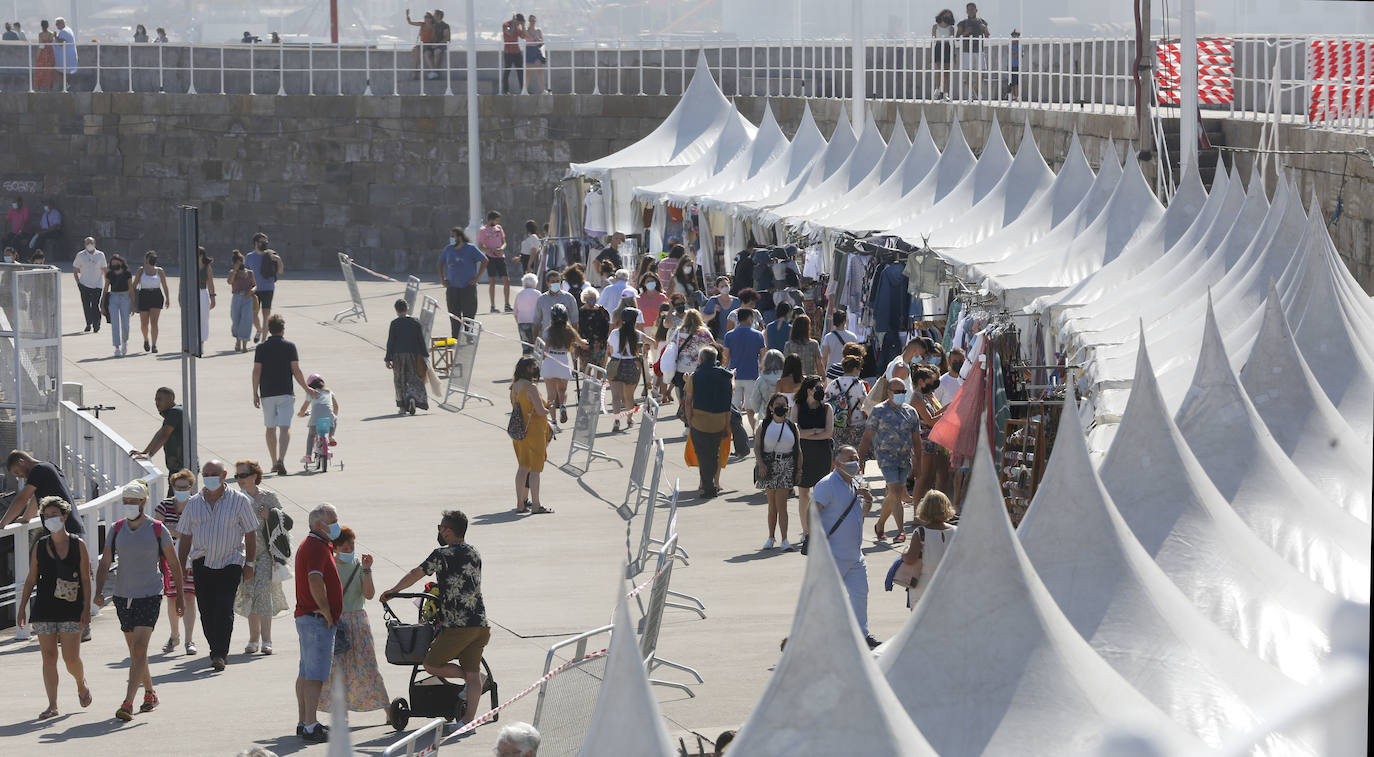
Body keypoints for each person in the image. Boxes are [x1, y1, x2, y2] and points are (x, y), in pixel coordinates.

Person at [381, 509, 491, 734]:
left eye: (441, 527)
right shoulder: (474, 552)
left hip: (458, 626)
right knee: (472, 671)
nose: (439, 531)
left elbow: (416, 573)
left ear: (448, 531)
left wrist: (394, 590)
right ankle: (468, 721)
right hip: (479, 623)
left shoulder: (442, 555)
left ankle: (474, 682)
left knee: (431, 664)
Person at [93, 481, 184, 721]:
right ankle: (150, 694)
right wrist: (99, 591)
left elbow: (174, 564)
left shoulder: (157, 529)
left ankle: (127, 703)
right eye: (127, 501)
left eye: (134, 501)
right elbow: (105, 562)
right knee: (136, 652)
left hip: (150, 594)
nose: (130, 505)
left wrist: (180, 597)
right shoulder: (116, 528)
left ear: (144, 502)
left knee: (140, 648)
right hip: (123, 596)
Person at [176, 459, 259, 671]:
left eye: (215, 473)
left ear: (224, 476)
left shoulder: (239, 501)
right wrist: (180, 567)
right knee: (206, 609)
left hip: (230, 561)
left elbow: (250, 533)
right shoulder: (194, 503)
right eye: (206, 473)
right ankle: (215, 646)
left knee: (223, 607)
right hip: (202, 562)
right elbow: (185, 536)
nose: (210, 477)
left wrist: (249, 563)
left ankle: (219, 653)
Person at [16, 496, 92, 720]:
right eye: (46, 516)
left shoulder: (79, 545)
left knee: (70, 659)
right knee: (48, 656)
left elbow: (86, 579)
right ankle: (52, 704)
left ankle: (80, 683)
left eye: (54, 515)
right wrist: (22, 608)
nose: (50, 519)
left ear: (65, 516)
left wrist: (86, 608)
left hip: (71, 607)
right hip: (45, 608)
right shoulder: (40, 545)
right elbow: (31, 579)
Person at [317, 526, 390, 722]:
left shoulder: (358, 566)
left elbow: (369, 594)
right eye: (345, 545)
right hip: (336, 621)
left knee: (368, 665)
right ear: (335, 547)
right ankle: (342, 713)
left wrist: (367, 570)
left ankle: (388, 709)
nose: (350, 549)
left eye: (352, 545)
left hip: (358, 620)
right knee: (337, 668)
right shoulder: (328, 565)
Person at [813, 446, 879, 648]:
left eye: (857, 458)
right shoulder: (827, 485)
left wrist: (867, 500)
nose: (855, 462)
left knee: (860, 594)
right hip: (833, 554)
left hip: (855, 555)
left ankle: (861, 635)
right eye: (850, 458)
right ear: (837, 463)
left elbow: (860, 514)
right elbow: (812, 514)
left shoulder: (855, 483)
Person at [293, 503, 343, 743]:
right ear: (319, 524)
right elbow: (315, 580)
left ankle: (305, 721)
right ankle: (311, 726)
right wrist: (326, 611)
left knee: (305, 672)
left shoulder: (318, 544)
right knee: (314, 675)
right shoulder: (315, 546)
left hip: (308, 617)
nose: (336, 524)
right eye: (332, 521)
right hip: (315, 619)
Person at [233, 460, 291, 653]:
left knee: (263, 593)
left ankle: (267, 640)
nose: (239, 479)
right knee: (249, 593)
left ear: (253, 476)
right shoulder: (235, 498)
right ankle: (253, 639)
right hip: (244, 554)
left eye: (242, 475)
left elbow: (287, 523)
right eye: (237, 476)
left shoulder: (269, 497)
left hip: (266, 554)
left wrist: (271, 516)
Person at [858, 378, 923, 543]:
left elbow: (917, 440)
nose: (901, 395)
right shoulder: (878, 411)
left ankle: (880, 525)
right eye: (897, 392)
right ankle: (901, 531)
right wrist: (860, 460)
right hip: (886, 458)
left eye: (903, 392)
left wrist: (919, 464)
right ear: (888, 392)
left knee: (893, 495)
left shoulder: (911, 412)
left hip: (904, 459)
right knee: (895, 492)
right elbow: (866, 438)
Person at [252, 314, 317, 475]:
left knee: (270, 428)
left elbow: (256, 371)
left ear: (269, 329)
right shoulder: (290, 347)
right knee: (284, 428)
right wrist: (307, 388)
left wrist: (254, 392)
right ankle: (281, 459)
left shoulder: (261, 348)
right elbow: (296, 370)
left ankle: (274, 462)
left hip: (267, 393)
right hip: (286, 392)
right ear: (282, 329)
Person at [154, 470, 199, 655]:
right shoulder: (164, 506)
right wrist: (178, 531)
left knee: (189, 596)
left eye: (185, 487)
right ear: (172, 487)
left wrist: (173, 529)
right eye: (178, 487)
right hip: (170, 558)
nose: (181, 490)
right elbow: (156, 529)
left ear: (191, 487)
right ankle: (174, 635)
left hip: (192, 557)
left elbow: (202, 529)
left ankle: (189, 639)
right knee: (172, 597)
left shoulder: (197, 505)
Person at [684, 346, 733, 498]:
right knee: (713, 454)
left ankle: (708, 486)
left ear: (700, 359)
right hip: (719, 420)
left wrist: (689, 419)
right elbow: (728, 404)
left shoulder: (695, 376)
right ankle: (710, 483)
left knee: (703, 454)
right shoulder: (726, 376)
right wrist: (726, 424)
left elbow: (688, 401)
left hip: (700, 420)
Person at [894, 490, 957, 608]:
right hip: (950, 584)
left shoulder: (921, 533)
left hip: (925, 585)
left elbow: (910, 559)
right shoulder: (956, 531)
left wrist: (905, 551)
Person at [791, 374, 834, 546]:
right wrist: (817, 431)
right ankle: (806, 531)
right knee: (803, 493)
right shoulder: (798, 406)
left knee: (821, 494)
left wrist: (807, 434)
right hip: (803, 454)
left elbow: (829, 433)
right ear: (809, 390)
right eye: (817, 388)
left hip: (823, 454)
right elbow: (795, 432)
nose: (821, 391)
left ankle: (820, 529)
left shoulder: (827, 408)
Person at [755, 392, 800, 550]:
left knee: (782, 505)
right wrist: (760, 463)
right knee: (772, 504)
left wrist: (799, 470)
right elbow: (757, 446)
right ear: (771, 407)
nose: (781, 407)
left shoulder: (792, 426)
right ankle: (771, 537)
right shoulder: (764, 425)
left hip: (787, 465)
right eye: (778, 404)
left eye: (784, 404)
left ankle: (785, 539)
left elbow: (798, 450)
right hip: (769, 465)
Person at [3, 450, 83, 535]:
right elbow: (36, 499)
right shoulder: (50, 466)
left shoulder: (38, 470)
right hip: (71, 527)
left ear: (21, 462)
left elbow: (22, 498)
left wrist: (2, 523)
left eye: (17, 472)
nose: (19, 477)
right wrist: (26, 517)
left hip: (63, 531)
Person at [510, 357, 553, 514]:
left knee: (522, 468)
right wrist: (549, 408)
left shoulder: (514, 386)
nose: (536, 369)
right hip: (534, 432)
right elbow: (541, 411)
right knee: (535, 470)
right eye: (533, 367)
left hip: (519, 432)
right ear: (527, 369)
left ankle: (520, 504)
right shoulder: (531, 388)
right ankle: (536, 505)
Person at [722, 308, 766, 432]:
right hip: (752, 374)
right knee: (751, 408)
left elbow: (725, 357)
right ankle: (755, 432)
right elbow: (763, 356)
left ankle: (733, 432)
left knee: (733, 407)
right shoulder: (758, 335)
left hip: (734, 375)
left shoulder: (729, 335)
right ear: (749, 318)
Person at [439, 228, 488, 336]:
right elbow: (440, 263)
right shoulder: (448, 249)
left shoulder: (471, 248)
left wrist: (477, 278)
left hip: (468, 287)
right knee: (454, 314)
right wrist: (443, 279)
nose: (451, 239)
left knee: (469, 313)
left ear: (459, 237)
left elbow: (485, 261)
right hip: (452, 287)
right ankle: (455, 337)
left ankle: (468, 335)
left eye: (453, 236)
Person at [385, 299, 431, 413]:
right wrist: (425, 355)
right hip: (413, 355)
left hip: (398, 356)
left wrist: (387, 358)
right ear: (407, 308)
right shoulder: (415, 322)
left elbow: (390, 342)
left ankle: (402, 406)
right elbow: (421, 339)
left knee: (400, 380)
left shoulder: (394, 323)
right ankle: (412, 398)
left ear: (396, 310)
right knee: (414, 378)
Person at [542, 304, 585, 425]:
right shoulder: (569, 331)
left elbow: (545, 351)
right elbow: (582, 343)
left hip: (550, 361)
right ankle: (563, 406)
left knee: (550, 396)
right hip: (563, 361)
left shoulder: (548, 331)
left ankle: (554, 422)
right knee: (562, 390)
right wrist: (585, 343)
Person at [911, 366, 950, 501]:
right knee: (923, 478)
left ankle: (924, 511)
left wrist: (949, 406)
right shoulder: (917, 398)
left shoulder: (924, 396)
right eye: (930, 381)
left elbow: (934, 415)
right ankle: (917, 513)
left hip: (930, 441)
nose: (933, 385)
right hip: (923, 442)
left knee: (928, 478)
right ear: (921, 381)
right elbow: (930, 421)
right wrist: (947, 413)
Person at [130, 386, 186, 475]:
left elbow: (164, 435)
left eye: (160, 400)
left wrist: (149, 456)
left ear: (170, 399)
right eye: (156, 400)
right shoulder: (174, 413)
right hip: (179, 467)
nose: (157, 403)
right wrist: (145, 452)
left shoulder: (175, 412)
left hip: (183, 468)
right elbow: (160, 434)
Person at [607, 307, 646, 433]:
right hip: (631, 364)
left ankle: (616, 419)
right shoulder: (637, 334)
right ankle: (629, 418)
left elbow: (611, 349)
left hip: (615, 363)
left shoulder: (614, 333)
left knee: (615, 396)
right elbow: (652, 341)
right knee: (629, 397)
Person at [668, 309, 714, 410]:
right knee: (700, 395)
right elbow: (713, 348)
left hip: (682, 369)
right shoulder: (704, 332)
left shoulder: (679, 331)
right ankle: (698, 418)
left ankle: (687, 420)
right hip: (700, 369)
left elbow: (671, 346)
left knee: (684, 395)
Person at [827, 352, 871, 450]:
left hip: (838, 425)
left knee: (839, 454)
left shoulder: (834, 383)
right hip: (857, 424)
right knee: (856, 455)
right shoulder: (859, 384)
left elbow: (826, 402)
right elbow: (865, 404)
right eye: (860, 368)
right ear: (855, 369)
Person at [244, 232, 283, 343]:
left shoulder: (271, 255)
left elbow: (280, 271)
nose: (265, 244)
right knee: (252, 314)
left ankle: (264, 340)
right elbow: (246, 273)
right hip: (254, 289)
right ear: (256, 243)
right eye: (263, 242)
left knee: (266, 315)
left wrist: (279, 260)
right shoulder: (249, 256)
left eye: (266, 242)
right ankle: (259, 330)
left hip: (268, 288)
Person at [298, 374, 340, 461]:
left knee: (311, 435)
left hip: (315, 420)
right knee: (334, 418)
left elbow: (303, 408)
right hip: (328, 419)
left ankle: (308, 456)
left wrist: (301, 414)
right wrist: (333, 417)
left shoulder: (311, 393)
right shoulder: (329, 392)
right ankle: (331, 435)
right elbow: (336, 407)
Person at [134, 250, 170, 353]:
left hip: (156, 296)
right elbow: (134, 284)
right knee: (144, 323)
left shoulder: (159, 271)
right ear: (146, 259)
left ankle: (154, 345)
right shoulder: (141, 270)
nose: (152, 259)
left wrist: (167, 298)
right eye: (150, 257)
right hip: (144, 295)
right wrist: (131, 299)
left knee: (154, 322)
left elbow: (164, 285)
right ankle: (146, 340)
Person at [476, 211, 512, 313]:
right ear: (491, 219)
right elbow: (480, 246)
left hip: (500, 257)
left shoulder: (499, 228)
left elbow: (504, 242)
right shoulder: (483, 230)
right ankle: (492, 306)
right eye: (496, 219)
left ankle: (507, 304)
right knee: (492, 281)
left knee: (506, 280)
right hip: (490, 258)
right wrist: (491, 251)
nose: (498, 221)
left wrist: (501, 248)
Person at [101, 252, 134, 356]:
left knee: (125, 323)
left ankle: (124, 342)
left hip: (125, 297)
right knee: (115, 323)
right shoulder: (109, 274)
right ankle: (116, 347)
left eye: (117, 262)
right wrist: (102, 304)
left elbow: (131, 288)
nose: (115, 264)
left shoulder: (127, 273)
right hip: (114, 297)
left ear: (121, 262)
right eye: (113, 263)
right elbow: (106, 288)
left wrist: (133, 303)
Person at [532, 268, 579, 340]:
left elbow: (574, 320)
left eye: (557, 281)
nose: (556, 284)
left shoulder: (569, 298)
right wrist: (535, 340)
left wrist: (574, 339)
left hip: (564, 338)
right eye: (553, 282)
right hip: (547, 339)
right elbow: (536, 321)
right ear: (547, 283)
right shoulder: (542, 299)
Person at [72, 236, 107, 333]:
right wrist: (78, 283)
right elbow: (75, 269)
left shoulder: (100, 255)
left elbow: (104, 269)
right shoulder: (80, 255)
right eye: (87, 243)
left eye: (91, 243)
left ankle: (97, 323)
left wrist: (107, 282)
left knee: (95, 305)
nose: (89, 245)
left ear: (95, 244)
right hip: (84, 284)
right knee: (86, 305)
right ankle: (88, 323)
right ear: (84, 244)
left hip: (97, 285)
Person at [956, 2, 990, 98]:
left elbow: (987, 36)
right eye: (969, 9)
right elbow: (957, 38)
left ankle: (976, 90)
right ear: (966, 11)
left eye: (972, 9)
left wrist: (984, 29)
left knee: (982, 72)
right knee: (968, 73)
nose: (971, 11)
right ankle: (971, 94)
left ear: (976, 10)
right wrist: (965, 33)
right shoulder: (962, 23)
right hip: (967, 51)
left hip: (979, 50)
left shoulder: (982, 22)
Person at [227, 249, 257, 352]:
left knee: (246, 321)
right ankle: (237, 341)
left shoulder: (250, 273)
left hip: (248, 298)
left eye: (241, 262)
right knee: (236, 321)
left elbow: (255, 285)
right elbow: (229, 282)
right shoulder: (232, 272)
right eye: (238, 263)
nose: (240, 264)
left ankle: (244, 345)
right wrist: (235, 270)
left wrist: (252, 291)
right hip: (236, 298)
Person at [576, 287, 610, 375]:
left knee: (599, 369)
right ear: (585, 299)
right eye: (590, 298)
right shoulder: (580, 312)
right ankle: (587, 387)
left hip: (600, 344)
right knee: (587, 369)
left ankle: (596, 388)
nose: (592, 300)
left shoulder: (602, 311)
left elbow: (607, 326)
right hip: (586, 345)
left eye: (594, 298)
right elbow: (577, 328)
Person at [747, 349, 785, 421]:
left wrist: (757, 410)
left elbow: (754, 400)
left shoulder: (761, 379)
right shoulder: (786, 378)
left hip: (765, 414)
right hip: (784, 414)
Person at [821, 308, 859, 375]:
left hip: (832, 371)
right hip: (848, 371)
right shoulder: (853, 337)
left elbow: (824, 357)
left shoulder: (828, 337)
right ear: (844, 321)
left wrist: (823, 373)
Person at [193, 247, 217, 347]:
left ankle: (201, 342)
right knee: (193, 318)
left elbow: (210, 283)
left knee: (203, 318)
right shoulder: (190, 265)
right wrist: (180, 295)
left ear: (201, 255)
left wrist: (213, 298)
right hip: (192, 293)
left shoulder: (207, 267)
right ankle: (193, 340)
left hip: (203, 293)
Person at [513, 273, 541, 353]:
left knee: (525, 347)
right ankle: (536, 363)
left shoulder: (519, 294)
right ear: (535, 282)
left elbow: (515, 312)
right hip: (535, 322)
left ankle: (526, 362)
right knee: (536, 346)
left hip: (522, 322)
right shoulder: (538, 293)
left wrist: (518, 322)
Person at [932, 9, 956, 99]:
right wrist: (931, 54)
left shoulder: (951, 28)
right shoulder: (935, 27)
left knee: (946, 73)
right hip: (938, 47)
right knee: (939, 71)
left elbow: (952, 42)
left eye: (949, 16)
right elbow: (933, 40)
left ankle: (945, 93)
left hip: (947, 48)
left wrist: (954, 54)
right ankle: (937, 90)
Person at [404, 9, 435, 78]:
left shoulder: (433, 27)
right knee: (417, 55)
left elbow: (432, 39)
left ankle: (415, 72)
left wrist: (425, 45)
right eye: (425, 17)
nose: (426, 18)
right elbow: (410, 22)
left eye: (427, 17)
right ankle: (415, 71)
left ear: (431, 19)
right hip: (421, 45)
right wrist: (407, 15)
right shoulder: (422, 24)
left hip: (428, 46)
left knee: (419, 53)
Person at [500, 13, 526, 93]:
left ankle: (523, 90)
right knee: (507, 70)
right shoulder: (506, 25)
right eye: (518, 22)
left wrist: (523, 26)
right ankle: (505, 90)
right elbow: (510, 33)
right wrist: (514, 24)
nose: (518, 24)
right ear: (515, 20)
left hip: (516, 51)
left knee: (520, 71)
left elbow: (523, 36)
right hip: (508, 52)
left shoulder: (518, 26)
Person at [524, 15, 546, 93]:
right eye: (531, 20)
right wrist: (534, 40)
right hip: (529, 50)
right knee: (528, 72)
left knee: (539, 71)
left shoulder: (538, 30)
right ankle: (525, 90)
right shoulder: (526, 30)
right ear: (529, 21)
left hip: (536, 50)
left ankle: (543, 90)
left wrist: (538, 40)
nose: (532, 22)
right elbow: (525, 37)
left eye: (534, 20)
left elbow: (542, 42)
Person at [32, 22, 56, 91]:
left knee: (40, 70)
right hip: (50, 53)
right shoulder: (51, 34)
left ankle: (39, 87)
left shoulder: (41, 35)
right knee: (49, 70)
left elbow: (41, 46)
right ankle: (49, 87)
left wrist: (37, 56)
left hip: (43, 54)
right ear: (48, 26)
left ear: (41, 26)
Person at [53, 17, 77, 85]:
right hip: (68, 55)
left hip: (66, 56)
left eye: (57, 24)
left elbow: (61, 43)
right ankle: (67, 85)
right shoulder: (68, 30)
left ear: (62, 23)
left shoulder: (64, 31)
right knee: (65, 71)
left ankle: (66, 85)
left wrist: (55, 36)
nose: (56, 25)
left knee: (61, 71)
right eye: (56, 24)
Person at [1005, 29, 1021, 100]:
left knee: (1016, 82)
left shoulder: (1020, 45)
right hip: (1010, 65)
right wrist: (1016, 53)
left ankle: (1016, 96)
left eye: (1016, 36)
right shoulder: (1010, 44)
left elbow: (1020, 55)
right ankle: (1011, 96)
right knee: (1011, 82)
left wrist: (1015, 54)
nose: (1014, 37)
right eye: (1013, 36)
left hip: (1017, 65)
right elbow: (1012, 53)